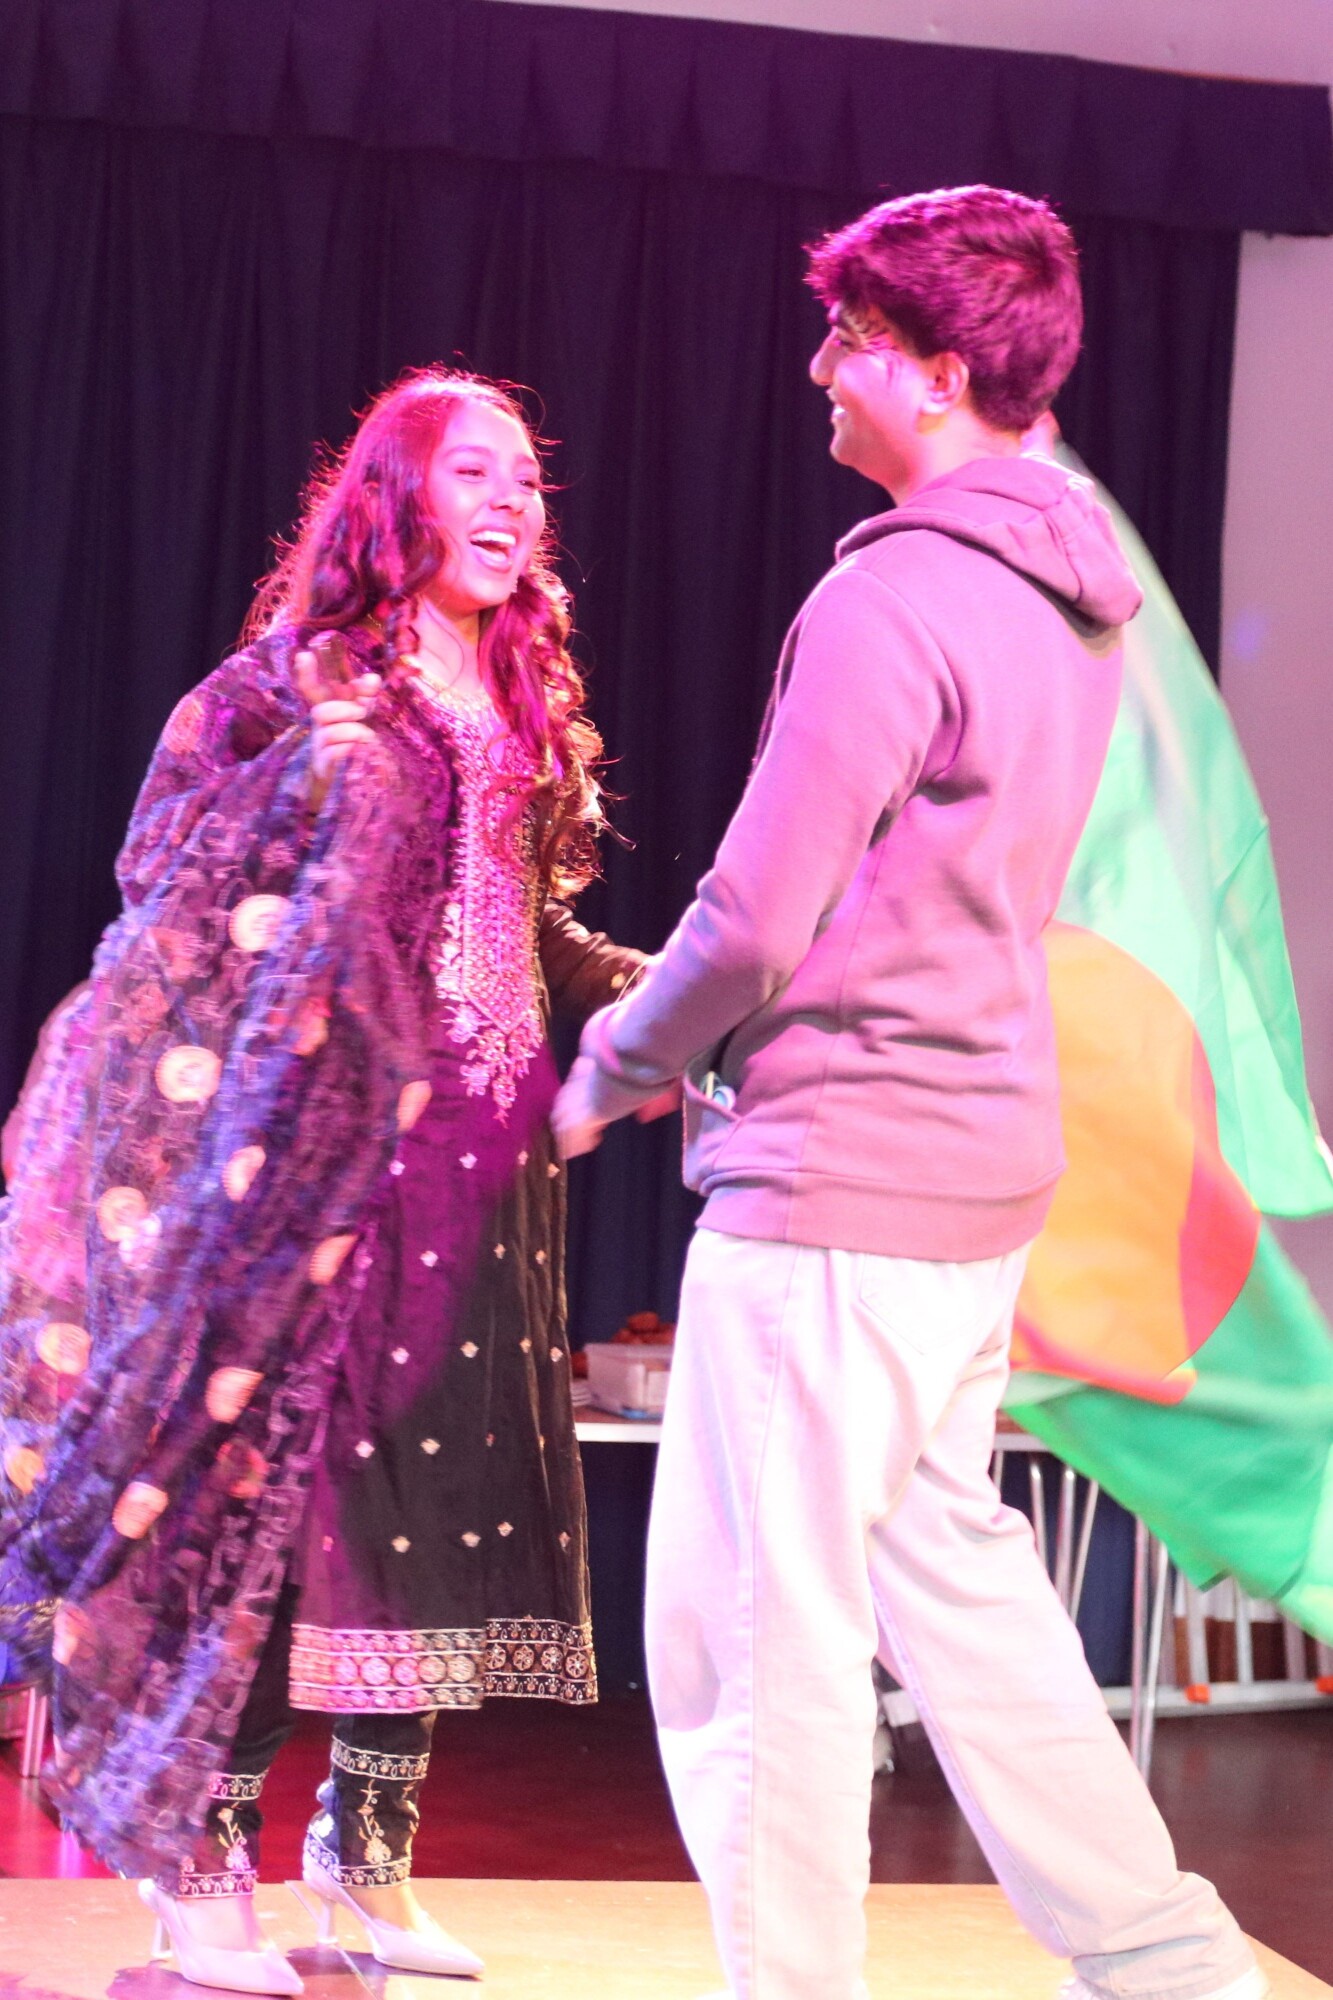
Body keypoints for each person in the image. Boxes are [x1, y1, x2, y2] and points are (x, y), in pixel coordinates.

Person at [553, 187, 1265, 2000]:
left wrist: (611, 1071)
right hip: (966, 1182)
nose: (818, 368)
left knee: (750, 1635)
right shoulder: (1072, 599)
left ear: (938, 372)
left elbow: (753, 915)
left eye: (849, 338)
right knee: (963, 1597)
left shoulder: (893, 597)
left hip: (846, 1183)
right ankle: (1173, 1966)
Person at [0, 368, 643, 1993]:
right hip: (327, 1177)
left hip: (488, 1178)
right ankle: (200, 1867)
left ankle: (367, 1864)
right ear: (392, 499)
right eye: (473, 472)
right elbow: (170, 880)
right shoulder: (297, 686)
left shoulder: (520, 697)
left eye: (527, 479)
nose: (511, 502)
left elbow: (526, 933)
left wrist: (670, 998)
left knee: (425, 1513)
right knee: (281, 1515)